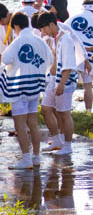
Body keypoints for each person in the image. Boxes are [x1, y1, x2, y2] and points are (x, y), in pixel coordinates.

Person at [2, 12, 53, 169]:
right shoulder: (40, 41)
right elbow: (50, 60)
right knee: (33, 123)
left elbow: (5, 59)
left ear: (16, 26)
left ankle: (25, 159)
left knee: (19, 125)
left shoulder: (18, 41)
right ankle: (36, 157)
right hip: (35, 87)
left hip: (20, 89)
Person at [38, 12, 81, 156]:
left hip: (64, 81)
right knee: (45, 109)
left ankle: (67, 146)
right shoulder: (55, 39)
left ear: (52, 25)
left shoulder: (66, 39)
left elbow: (68, 65)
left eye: (44, 29)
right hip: (53, 79)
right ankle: (57, 141)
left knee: (64, 113)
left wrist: (62, 84)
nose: (44, 32)